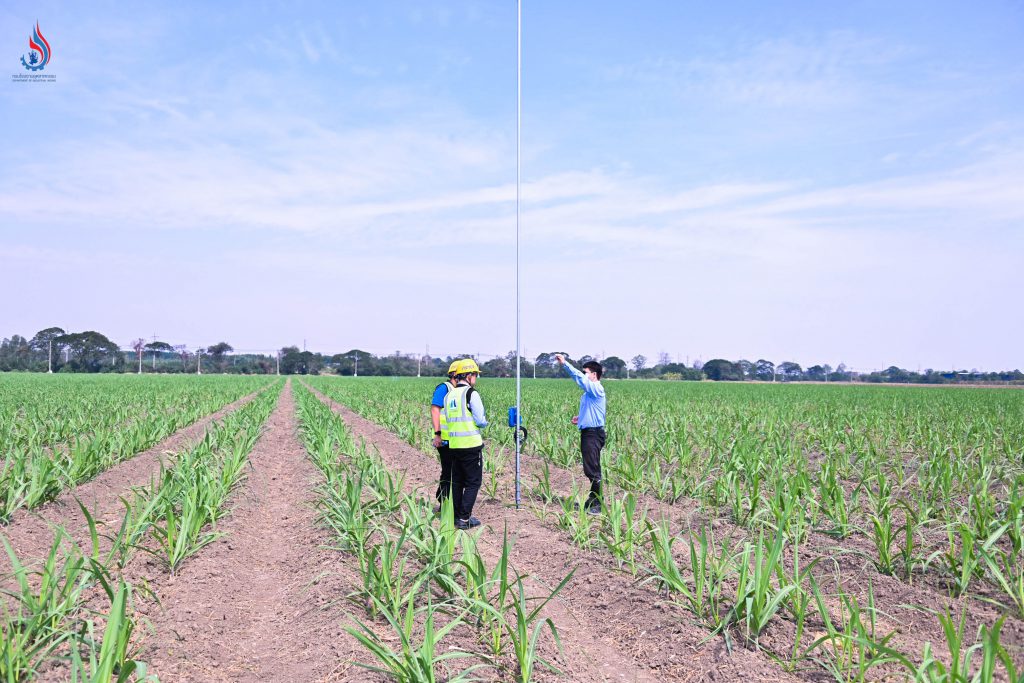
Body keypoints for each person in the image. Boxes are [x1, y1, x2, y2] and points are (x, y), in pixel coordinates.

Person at [555, 354, 606, 514]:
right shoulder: (589, 394)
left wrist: (565, 364)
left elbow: (580, 379)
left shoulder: (596, 388)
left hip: (593, 434)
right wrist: (581, 418)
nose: (584, 375)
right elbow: (593, 411)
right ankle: (592, 501)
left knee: (592, 469)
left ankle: (597, 504)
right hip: (589, 432)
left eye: (586, 372)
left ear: (594, 375)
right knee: (589, 468)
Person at [442, 359, 488, 529]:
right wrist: (484, 423)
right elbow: (480, 420)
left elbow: (446, 420)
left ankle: (454, 516)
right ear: (468, 375)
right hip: (471, 445)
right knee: (473, 482)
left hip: (454, 445)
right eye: (475, 375)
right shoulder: (471, 394)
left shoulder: (449, 395)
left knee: (457, 482)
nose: (476, 378)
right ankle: (464, 519)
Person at [430, 360, 462, 512]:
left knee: (454, 471)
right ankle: (444, 502)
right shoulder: (444, 388)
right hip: (444, 440)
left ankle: (444, 498)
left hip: (457, 439)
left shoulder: (460, 390)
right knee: (449, 471)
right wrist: (437, 434)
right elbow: (435, 410)